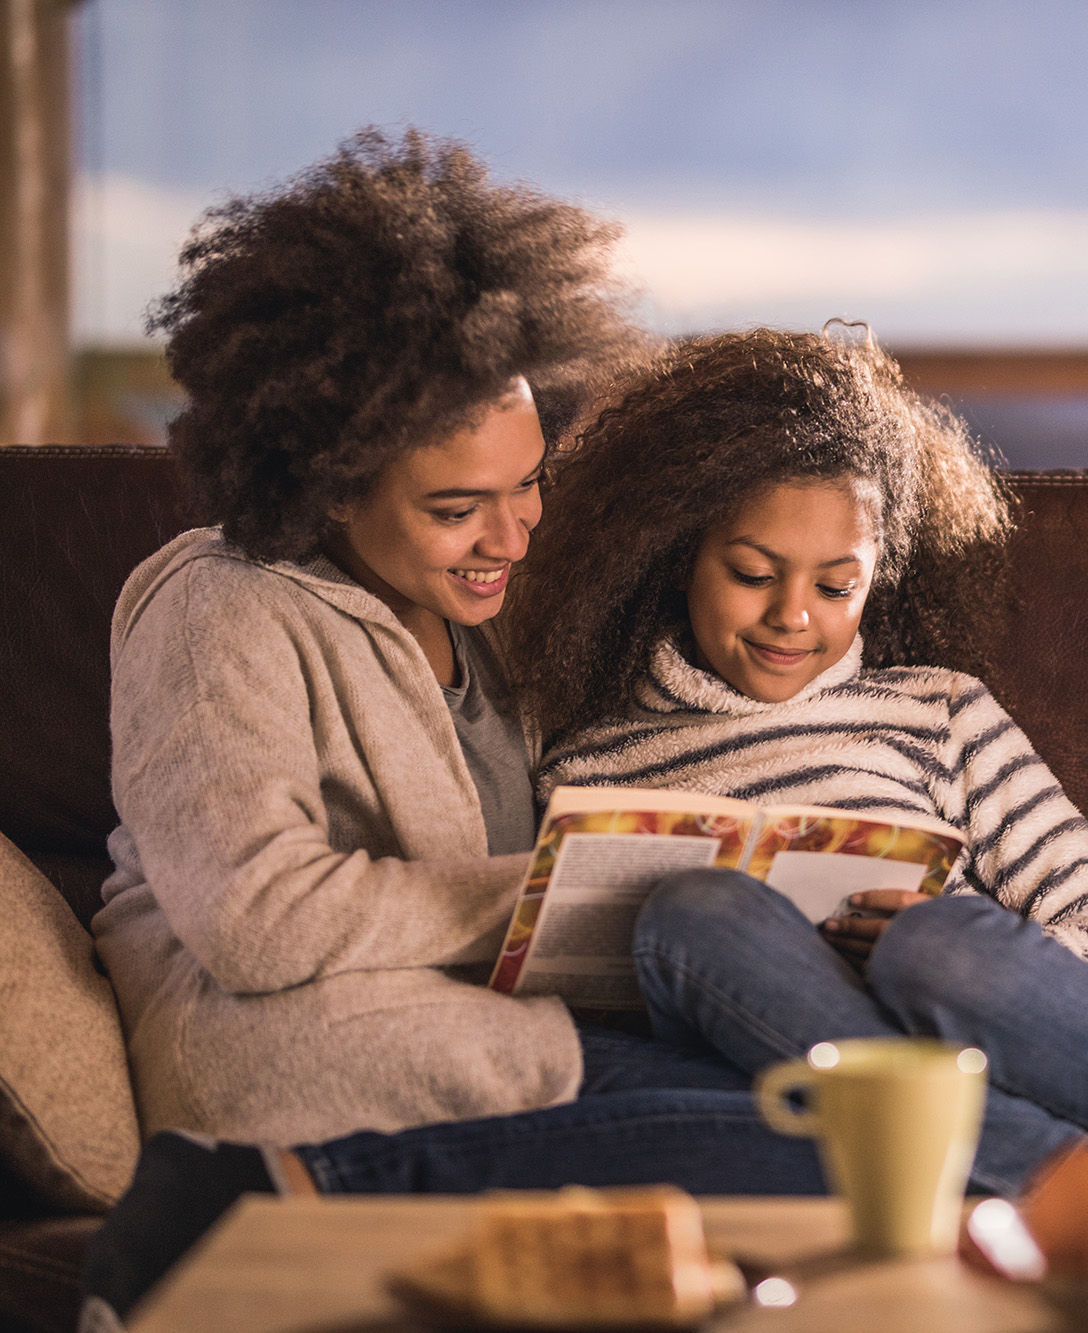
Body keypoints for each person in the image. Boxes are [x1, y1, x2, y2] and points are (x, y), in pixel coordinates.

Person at [82, 131, 821, 1325]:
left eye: (528, 482)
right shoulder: (218, 606)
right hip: (314, 1061)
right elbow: (256, 922)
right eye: (454, 507)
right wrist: (554, 888)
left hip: (501, 1039)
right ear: (328, 482)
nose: (512, 536)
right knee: (824, 1153)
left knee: (862, 1119)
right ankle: (241, 1198)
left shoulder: (494, 621)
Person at [507, 327, 1088, 1180]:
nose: (794, 616)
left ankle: (1085, 1153)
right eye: (752, 573)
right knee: (699, 915)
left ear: (877, 575)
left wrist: (936, 957)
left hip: (996, 1053)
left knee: (932, 944)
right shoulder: (585, 765)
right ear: (679, 559)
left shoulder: (941, 713)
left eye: (834, 586)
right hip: (768, 1093)